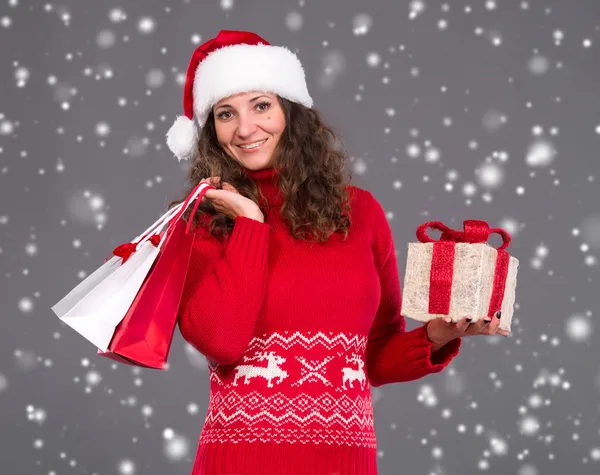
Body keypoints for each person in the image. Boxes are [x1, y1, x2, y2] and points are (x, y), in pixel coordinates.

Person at [165, 29, 507, 475]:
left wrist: (438, 336)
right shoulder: (201, 221)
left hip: (346, 462)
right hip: (244, 461)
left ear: (290, 112)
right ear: (211, 130)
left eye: (262, 106)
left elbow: (373, 356)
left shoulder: (359, 212)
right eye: (226, 113)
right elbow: (221, 342)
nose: (245, 128)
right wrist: (250, 223)